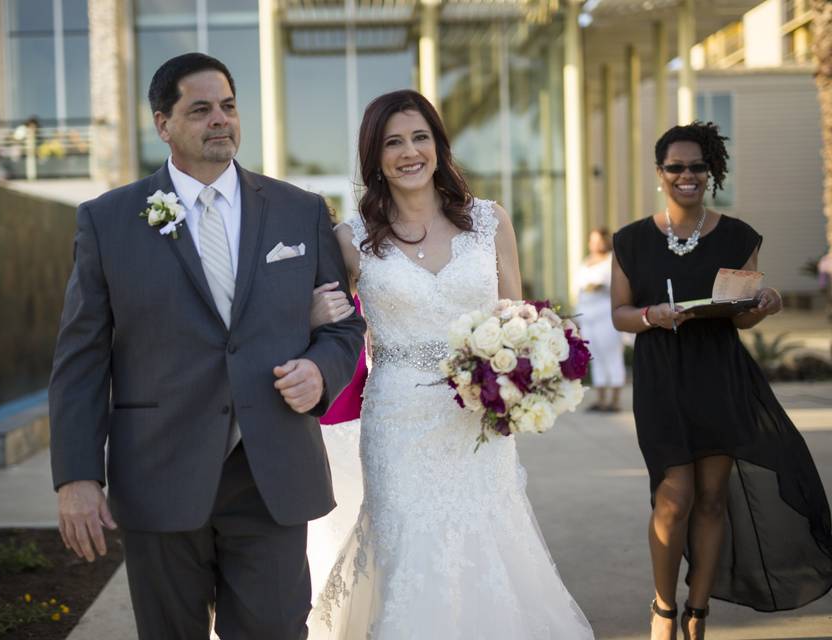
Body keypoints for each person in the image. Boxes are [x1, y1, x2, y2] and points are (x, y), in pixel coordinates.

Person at [48, 52, 364, 639]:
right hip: (159, 472)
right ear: (163, 124)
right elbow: (81, 359)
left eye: (228, 106)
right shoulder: (109, 220)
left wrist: (321, 370)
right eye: (200, 110)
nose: (220, 120)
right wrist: (76, 476)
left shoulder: (299, 211)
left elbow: (344, 326)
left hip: (270, 470)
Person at [308, 89, 594, 639]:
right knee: (408, 550)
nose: (409, 151)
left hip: (476, 421)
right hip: (396, 422)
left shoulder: (489, 221)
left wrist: (527, 380)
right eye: (393, 142)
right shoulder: (352, 240)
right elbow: (328, 325)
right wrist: (316, 314)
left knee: (488, 544)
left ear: (439, 145)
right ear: (374, 158)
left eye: (420, 137)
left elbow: (521, 319)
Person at [610, 121, 832, 640]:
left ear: (710, 174)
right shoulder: (631, 240)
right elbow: (620, 312)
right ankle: (664, 608)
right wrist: (651, 316)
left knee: (712, 498)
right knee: (673, 496)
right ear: (659, 173)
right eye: (676, 167)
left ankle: (698, 611)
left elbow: (741, 315)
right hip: (662, 377)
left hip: (720, 376)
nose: (686, 175)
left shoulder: (738, 236)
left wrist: (766, 305)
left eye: (696, 167)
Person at [574, 227, 625, 411]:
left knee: (612, 355)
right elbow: (580, 291)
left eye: (599, 241)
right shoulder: (585, 262)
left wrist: (597, 286)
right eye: (593, 241)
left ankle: (615, 400)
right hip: (588, 316)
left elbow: (613, 285)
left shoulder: (613, 260)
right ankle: (601, 399)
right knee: (595, 357)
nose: (596, 245)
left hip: (606, 316)